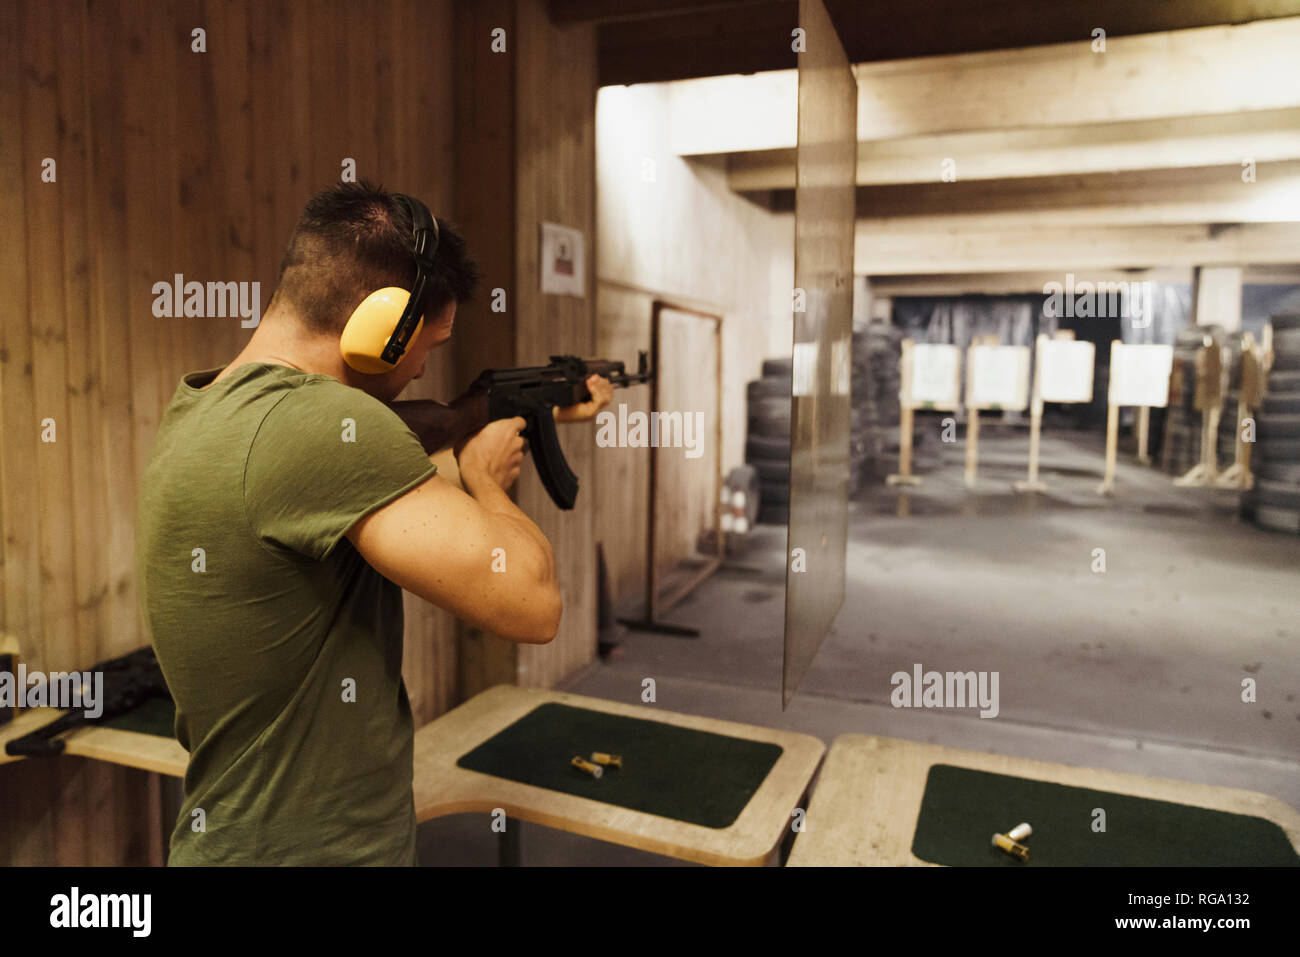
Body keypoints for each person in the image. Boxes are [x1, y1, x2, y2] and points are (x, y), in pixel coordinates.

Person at [135, 181, 612, 865]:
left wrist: (526, 416)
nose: (423, 365)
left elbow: (390, 490)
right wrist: (482, 475)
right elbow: (533, 602)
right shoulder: (322, 425)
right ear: (380, 325)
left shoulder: (204, 408)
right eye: (427, 342)